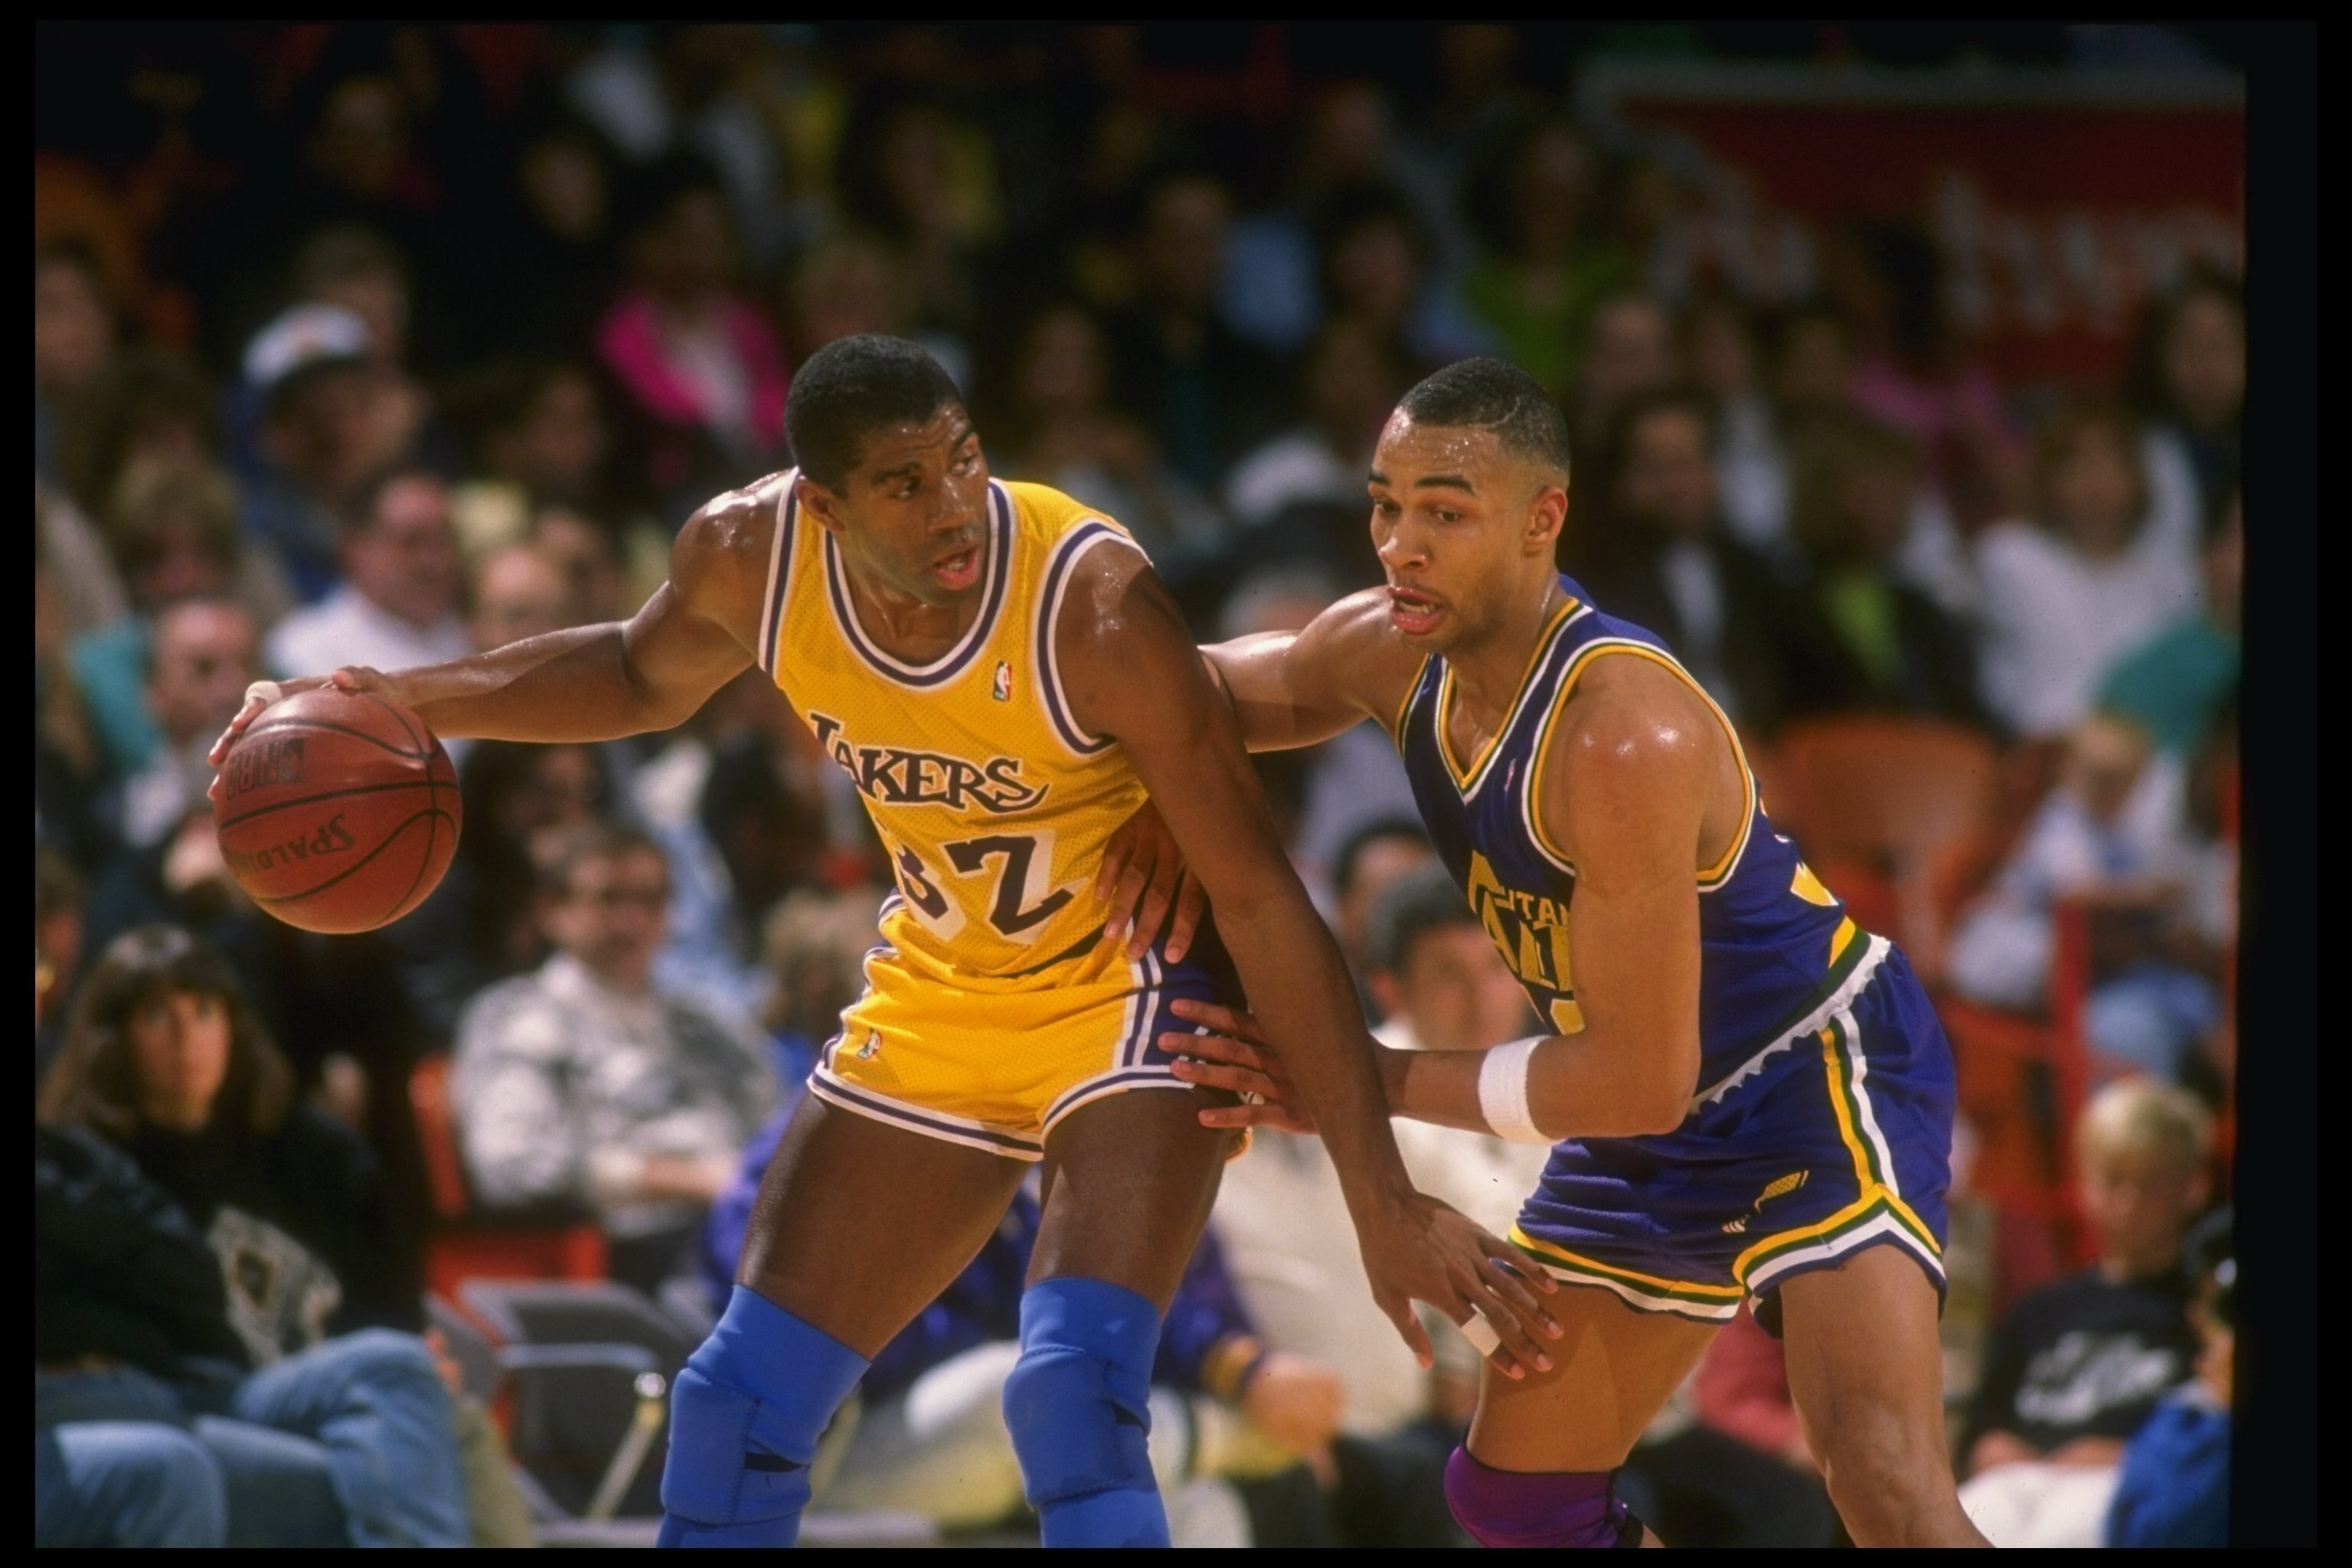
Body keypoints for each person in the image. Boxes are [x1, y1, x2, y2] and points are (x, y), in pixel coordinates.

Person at [213, 333, 1554, 1549]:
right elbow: (631, 671)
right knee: (733, 1403)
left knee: (1071, 1400)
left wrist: (1379, 1197)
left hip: (1130, 990)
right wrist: (402, 698)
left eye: (962, 458)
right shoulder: (749, 553)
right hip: (946, 983)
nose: (952, 502)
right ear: (823, 505)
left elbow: (1263, 895)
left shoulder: (1086, 596)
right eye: (904, 483)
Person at [1157, 357, 1983, 1544]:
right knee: (1515, 1501)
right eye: (1386, 506)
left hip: (1807, 1072)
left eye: (1446, 513)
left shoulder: (1621, 734)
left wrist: (1357, 1077)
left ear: (1542, 520)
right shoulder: (1387, 648)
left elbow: (1637, 1084)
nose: (1401, 545)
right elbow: (1182, 695)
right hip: (1650, 1086)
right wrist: (1037, 672)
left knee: (1880, 1478)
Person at [37, 926, 471, 1547]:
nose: (186, 1039)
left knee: (401, 1370)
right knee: (337, 1471)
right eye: (158, 1018)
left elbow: (385, 1305)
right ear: (115, 1039)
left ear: (234, 1024)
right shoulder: (86, 1149)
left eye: (203, 1012)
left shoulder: (315, 1153)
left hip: (277, 1387)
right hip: (177, 1387)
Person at [452, 822, 779, 1292]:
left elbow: (776, 1129)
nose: (631, 922)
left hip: (741, 1233)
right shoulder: (516, 1017)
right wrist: (681, 1180)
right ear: (553, 911)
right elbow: (512, 1164)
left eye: (650, 901)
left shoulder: (706, 1024)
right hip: (623, 1258)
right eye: (608, 900)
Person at [1955, 1078, 2211, 1547]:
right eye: (2113, 1182)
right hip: (2014, 1488)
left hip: (2130, 1490)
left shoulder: (2204, 1308)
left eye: (2151, 1184)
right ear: (2084, 1184)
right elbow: (1980, 1429)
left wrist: (2131, 1456)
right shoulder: (2040, 1310)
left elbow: (2214, 1438)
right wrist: (1990, 1448)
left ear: (2192, 1188)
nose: (2129, 1205)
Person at [1973, 403, 2202, 740]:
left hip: (2159, 745)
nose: (2096, 478)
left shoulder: (2173, 569)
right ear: (2047, 478)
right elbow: (2050, 686)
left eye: (2111, 460)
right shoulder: (2012, 556)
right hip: (2049, 743)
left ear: (2139, 475)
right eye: (2074, 462)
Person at [1570, 389, 1787, 735]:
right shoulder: (1590, 583)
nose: (1678, 484)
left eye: (1691, 462)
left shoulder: (1754, 571)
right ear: (1621, 479)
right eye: (1658, 467)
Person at [1772, 413, 1985, 728]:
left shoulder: (1920, 610)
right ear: (1825, 493)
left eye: (1897, 489)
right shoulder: (1779, 604)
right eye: (1869, 490)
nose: (1888, 505)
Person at [265, 464, 469, 681]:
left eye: (444, 539)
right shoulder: (304, 650)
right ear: (357, 549)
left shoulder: (474, 630)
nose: (436, 562)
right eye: (411, 541)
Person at [2104, 1208, 2231, 1547]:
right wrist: (2224, 1424)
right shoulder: (2184, 1421)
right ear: (2198, 1319)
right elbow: (2150, 1536)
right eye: (2230, 1307)